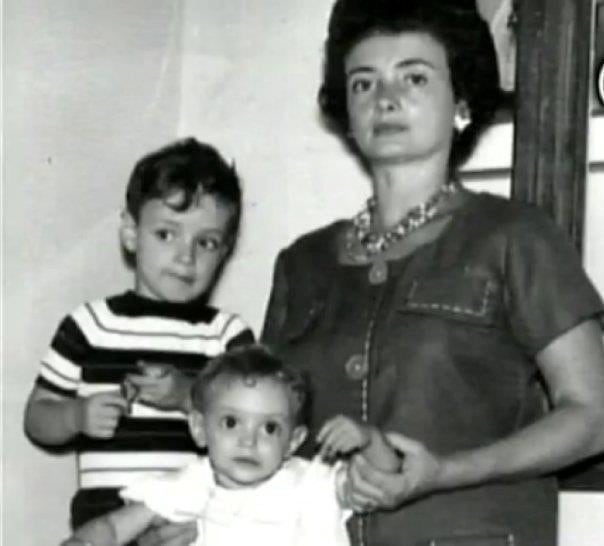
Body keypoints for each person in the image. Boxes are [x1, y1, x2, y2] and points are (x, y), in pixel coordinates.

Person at [261, 1, 604, 544]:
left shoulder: (515, 236)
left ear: (461, 100)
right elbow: (262, 427)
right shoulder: (301, 265)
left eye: (415, 77)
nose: (386, 99)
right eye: (363, 83)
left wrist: (447, 471)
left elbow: (594, 415)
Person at [24, 138, 254, 544]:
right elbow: (37, 417)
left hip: (190, 524)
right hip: (104, 521)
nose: (187, 257)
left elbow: (253, 429)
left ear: (225, 251)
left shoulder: (228, 336)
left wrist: (188, 397)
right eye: (167, 234)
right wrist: (75, 416)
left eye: (206, 242)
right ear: (131, 233)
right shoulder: (89, 325)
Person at [61, 345, 399, 546]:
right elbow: (114, 526)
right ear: (199, 428)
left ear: (293, 441)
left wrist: (370, 439)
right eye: (231, 422)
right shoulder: (191, 484)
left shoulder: (313, 483)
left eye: (269, 427)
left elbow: (385, 478)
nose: (248, 440)